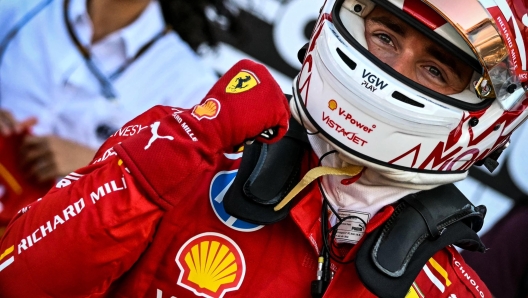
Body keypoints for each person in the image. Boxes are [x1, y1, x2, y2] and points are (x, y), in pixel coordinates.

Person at [0, 0, 527, 297]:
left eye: (434, 69)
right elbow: (20, 285)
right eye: (384, 36)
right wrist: (170, 152)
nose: (387, 70)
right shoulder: (189, 157)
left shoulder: (448, 292)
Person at [0, 0, 238, 228]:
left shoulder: (190, 84)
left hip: (54, 247)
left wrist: (97, 164)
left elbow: (184, 199)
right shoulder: (19, 7)